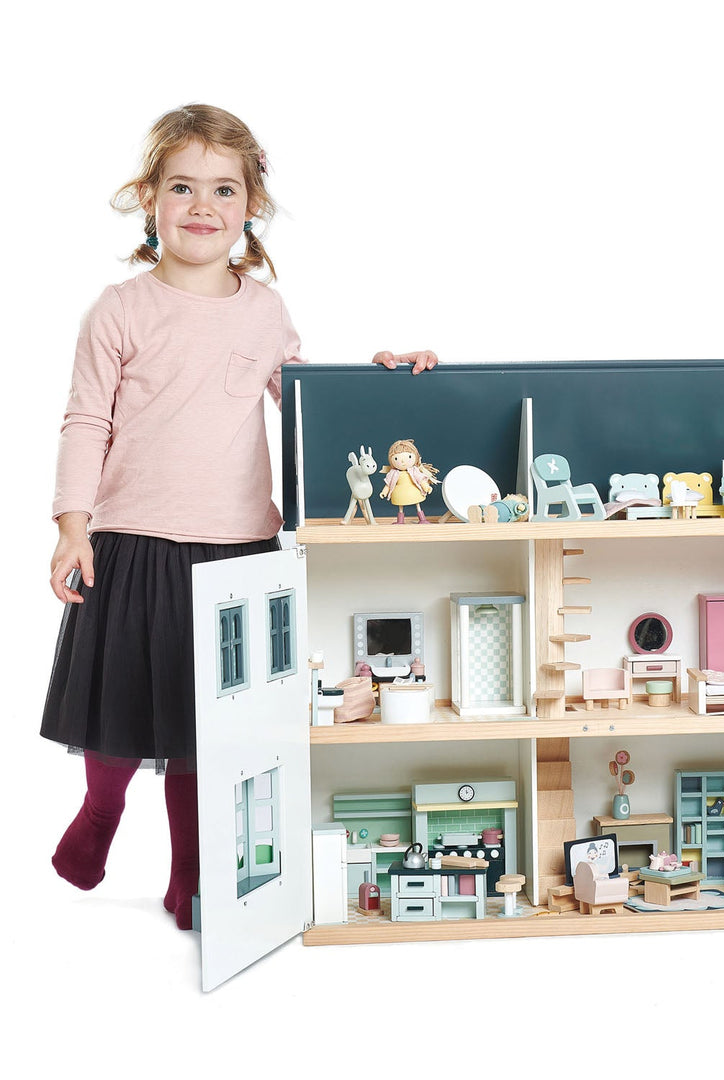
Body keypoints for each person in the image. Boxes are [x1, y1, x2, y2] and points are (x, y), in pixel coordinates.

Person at [40, 104, 436, 931]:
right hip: (132, 538)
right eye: (181, 186)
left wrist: (383, 376)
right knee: (119, 703)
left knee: (203, 724)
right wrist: (72, 526)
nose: (202, 205)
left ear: (249, 205)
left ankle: (191, 873)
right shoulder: (118, 310)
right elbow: (85, 421)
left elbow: (303, 407)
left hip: (235, 548)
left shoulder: (263, 312)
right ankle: (102, 811)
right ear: (149, 197)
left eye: (223, 189)